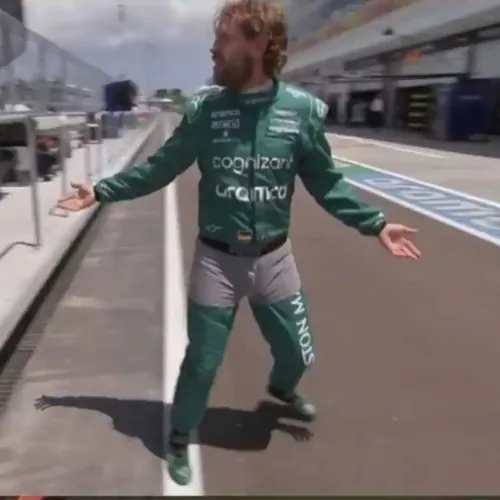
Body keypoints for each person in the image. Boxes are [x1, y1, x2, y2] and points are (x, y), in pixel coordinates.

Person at [57, 0, 421, 486]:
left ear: (259, 42)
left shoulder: (302, 112)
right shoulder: (205, 110)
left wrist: (375, 224)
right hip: (217, 261)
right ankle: (180, 435)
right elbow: (161, 167)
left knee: (298, 355)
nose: (213, 49)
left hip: (274, 259)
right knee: (203, 362)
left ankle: (281, 389)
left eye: (224, 39)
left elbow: (326, 182)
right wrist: (103, 190)